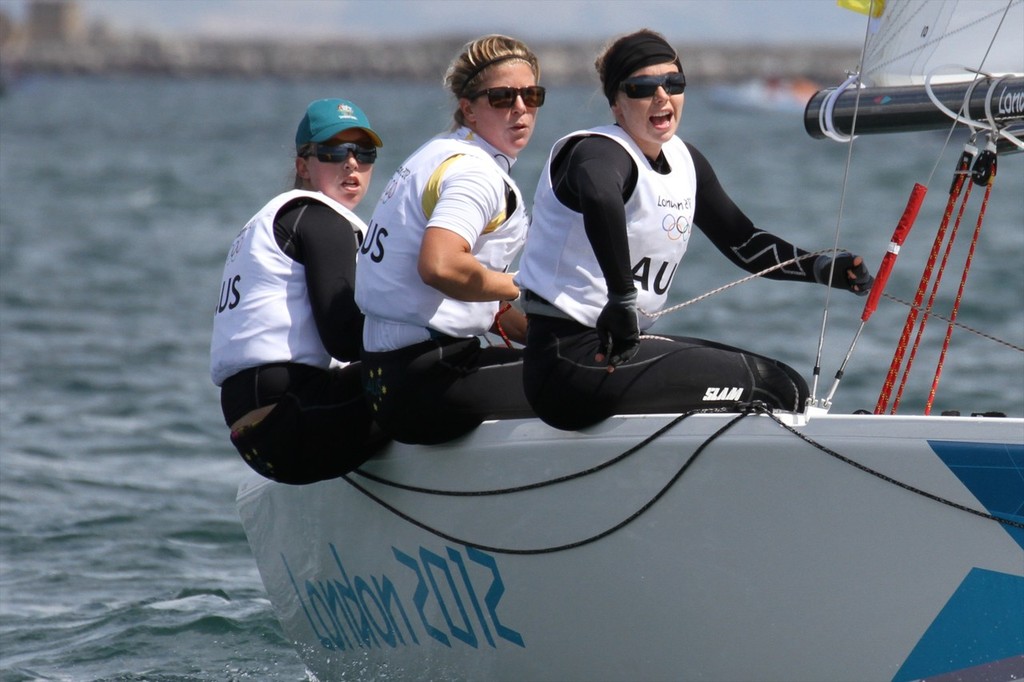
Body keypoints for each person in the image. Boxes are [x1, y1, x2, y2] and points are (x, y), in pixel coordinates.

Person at [515, 29, 874, 431]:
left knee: (784, 383)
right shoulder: (596, 151)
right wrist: (621, 298)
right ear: (616, 103)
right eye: (642, 87)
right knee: (779, 389)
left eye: (673, 83)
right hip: (569, 364)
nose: (662, 96)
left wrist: (819, 267)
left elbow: (744, 241)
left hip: (618, 354)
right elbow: (601, 196)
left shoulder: (685, 161)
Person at [355, 34, 541, 445]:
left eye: (531, 95)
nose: (521, 108)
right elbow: (441, 266)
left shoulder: (434, 153)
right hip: (431, 377)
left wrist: (551, 328)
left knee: (562, 357)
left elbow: (472, 289)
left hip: (387, 378)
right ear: (469, 109)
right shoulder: (476, 173)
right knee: (585, 382)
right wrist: (529, 286)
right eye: (502, 97)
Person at [210, 98, 388, 484]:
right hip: (294, 416)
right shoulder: (320, 219)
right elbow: (343, 338)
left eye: (364, 152)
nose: (352, 163)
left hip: (252, 433)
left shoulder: (266, 222)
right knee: (430, 376)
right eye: (333, 151)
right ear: (302, 165)